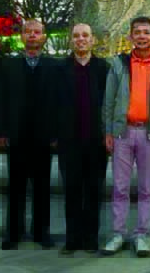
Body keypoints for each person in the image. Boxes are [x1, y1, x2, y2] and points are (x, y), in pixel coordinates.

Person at [102, 16, 150, 257]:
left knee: (147, 188)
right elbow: (109, 100)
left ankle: (141, 234)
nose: (142, 36)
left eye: (146, 32)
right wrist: (108, 131)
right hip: (123, 132)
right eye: (137, 32)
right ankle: (118, 233)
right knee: (120, 186)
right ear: (130, 36)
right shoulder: (119, 63)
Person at [0, 19, 58, 250]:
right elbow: (0, 99)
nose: (32, 35)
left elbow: (59, 103)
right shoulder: (8, 65)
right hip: (17, 135)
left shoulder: (54, 66)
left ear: (44, 37)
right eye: (28, 32)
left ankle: (42, 232)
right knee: (16, 187)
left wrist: (56, 133)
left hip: (43, 137)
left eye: (37, 32)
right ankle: (14, 232)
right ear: (22, 36)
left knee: (42, 187)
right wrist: (1, 131)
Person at [57, 23, 110, 255]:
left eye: (85, 35)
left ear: (92, 40)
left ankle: (90, 238)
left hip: (96, 142)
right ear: (72, 40)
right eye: (76, 36)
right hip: (69, 142)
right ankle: (72, 239)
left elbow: (110, 103)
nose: (81, 39)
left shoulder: (104, 68)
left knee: (93, 191)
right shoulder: (61, 69)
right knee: (71, 190)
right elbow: (53, 103)